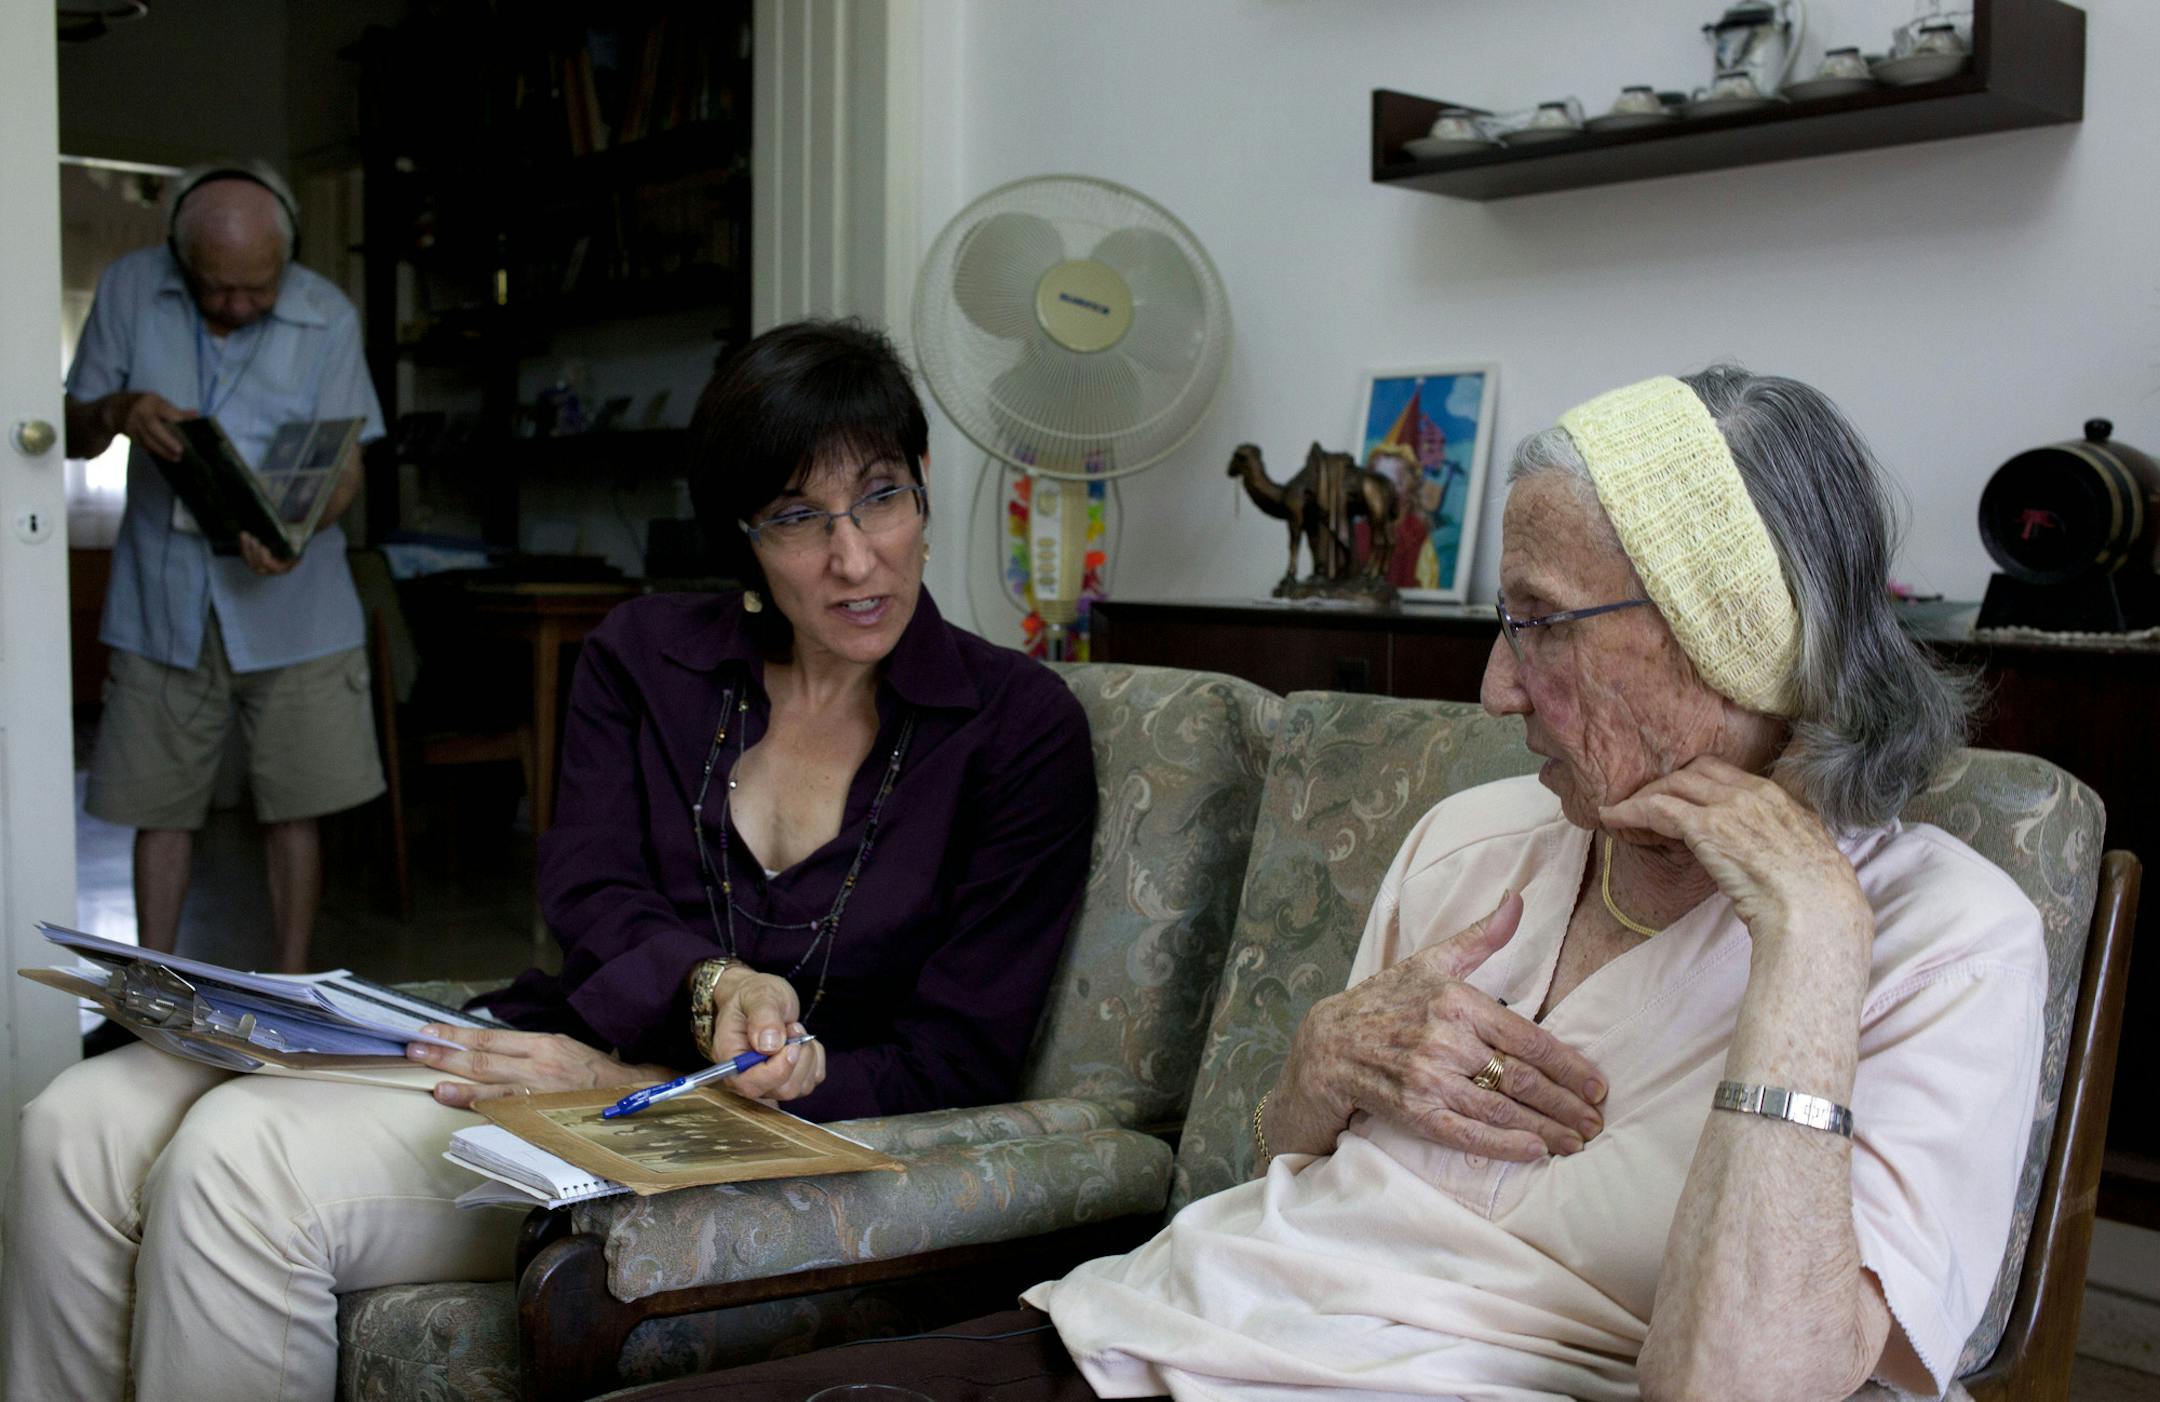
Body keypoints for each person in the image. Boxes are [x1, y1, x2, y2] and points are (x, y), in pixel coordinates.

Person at [619, 368, 2043, 1402]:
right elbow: (1276, 1177)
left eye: (1541, 627)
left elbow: (1746, 1389)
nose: (1495, 687)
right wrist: (1320, 1055)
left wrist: (1805, 956)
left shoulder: (1937, 938)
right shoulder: (1483, 838)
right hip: (1140, 1333)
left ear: (1738, 637)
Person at [2, 318, 1097, 1398]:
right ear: (741, 537)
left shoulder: (1012, 726)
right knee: (75, 1122)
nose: (855, 556)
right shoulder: (647, 658)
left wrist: (640, 1082)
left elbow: (958, 1061)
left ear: (923, 484)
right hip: (540, 1052)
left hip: (715, 1146)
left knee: (240, 1160)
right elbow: (590, 891)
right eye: (797, 517)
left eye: (882, 497)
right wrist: (708, 981)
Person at [62, 160, 387, 974]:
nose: (239, 306)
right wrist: (120, 410)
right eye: (218, 290)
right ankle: (150, 999)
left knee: (295, 808)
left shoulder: (328, 312)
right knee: (157, 808)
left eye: (258, 288)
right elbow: (67, 433)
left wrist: (300, 530)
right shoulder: (130, 289)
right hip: (160, 599)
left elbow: (346, 467)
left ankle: (291, 993)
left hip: (297, 602)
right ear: (179, 258)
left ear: (287, 256)